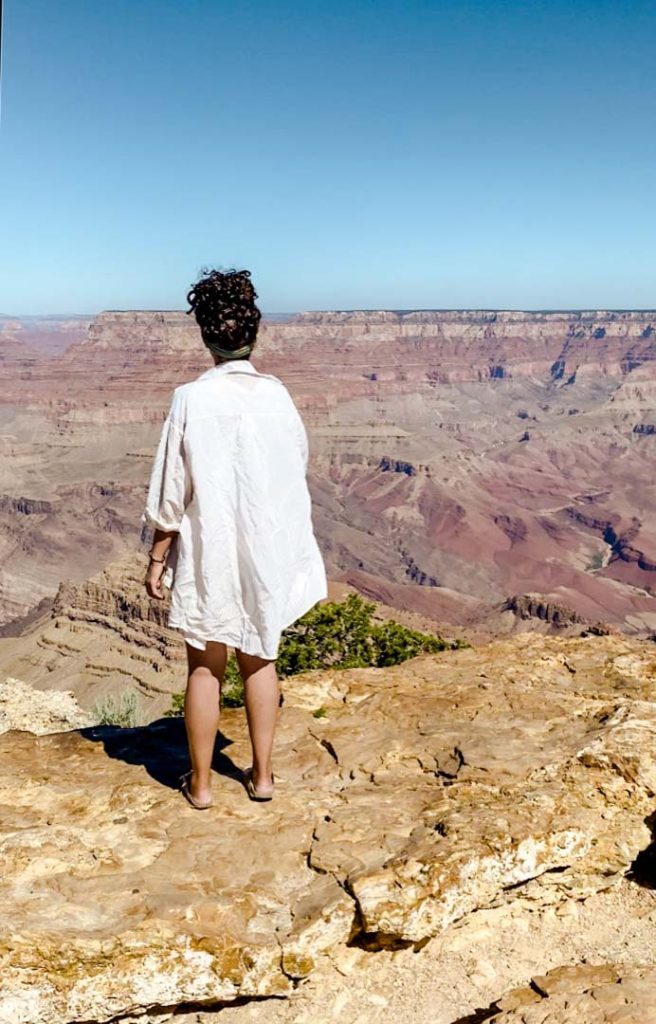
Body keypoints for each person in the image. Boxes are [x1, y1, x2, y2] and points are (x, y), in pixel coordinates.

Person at [142, 269, 327, 808]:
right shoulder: (278, 396)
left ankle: (200, 785)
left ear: (205, 337)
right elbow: (295, 464)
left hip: (210, 547)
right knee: (260, 658)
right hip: (265, 544)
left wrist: (157, 557)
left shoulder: (190, 400)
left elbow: (172, 488)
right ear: (255, 333)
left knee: (204, 664)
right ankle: (262, 777)